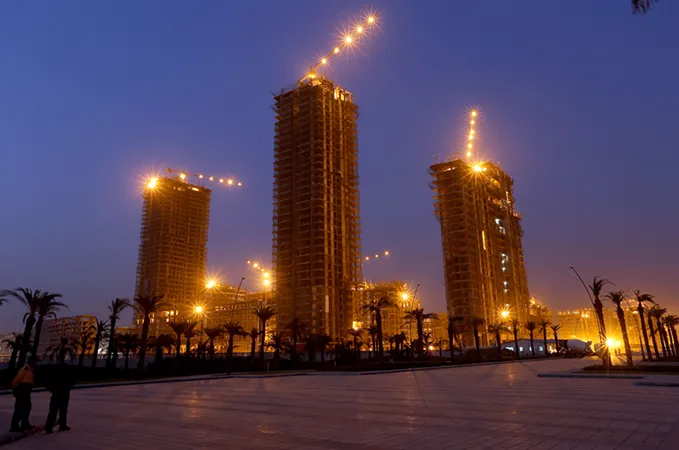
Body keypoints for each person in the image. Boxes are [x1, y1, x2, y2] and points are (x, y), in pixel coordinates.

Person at [44, 363, 75, 434]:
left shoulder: (54, 373)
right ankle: (62, 425)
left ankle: (49, 427)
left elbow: (48, 383)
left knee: (53, 410)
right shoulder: (67, 374)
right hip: (64, 392)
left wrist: (51, 389)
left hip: (57, 393)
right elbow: (72, 381)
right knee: (62, 410)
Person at [10, 356, 37, 432]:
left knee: (27, 408)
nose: (36, 364)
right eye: (35, 362)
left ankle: (25, 424)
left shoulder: (30, 370)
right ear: (31, 362)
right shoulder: (25, 369)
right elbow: (17, 379)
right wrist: (16, 389)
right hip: (22, 391)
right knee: (19, 408)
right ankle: (14, 426)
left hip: (26, 390)